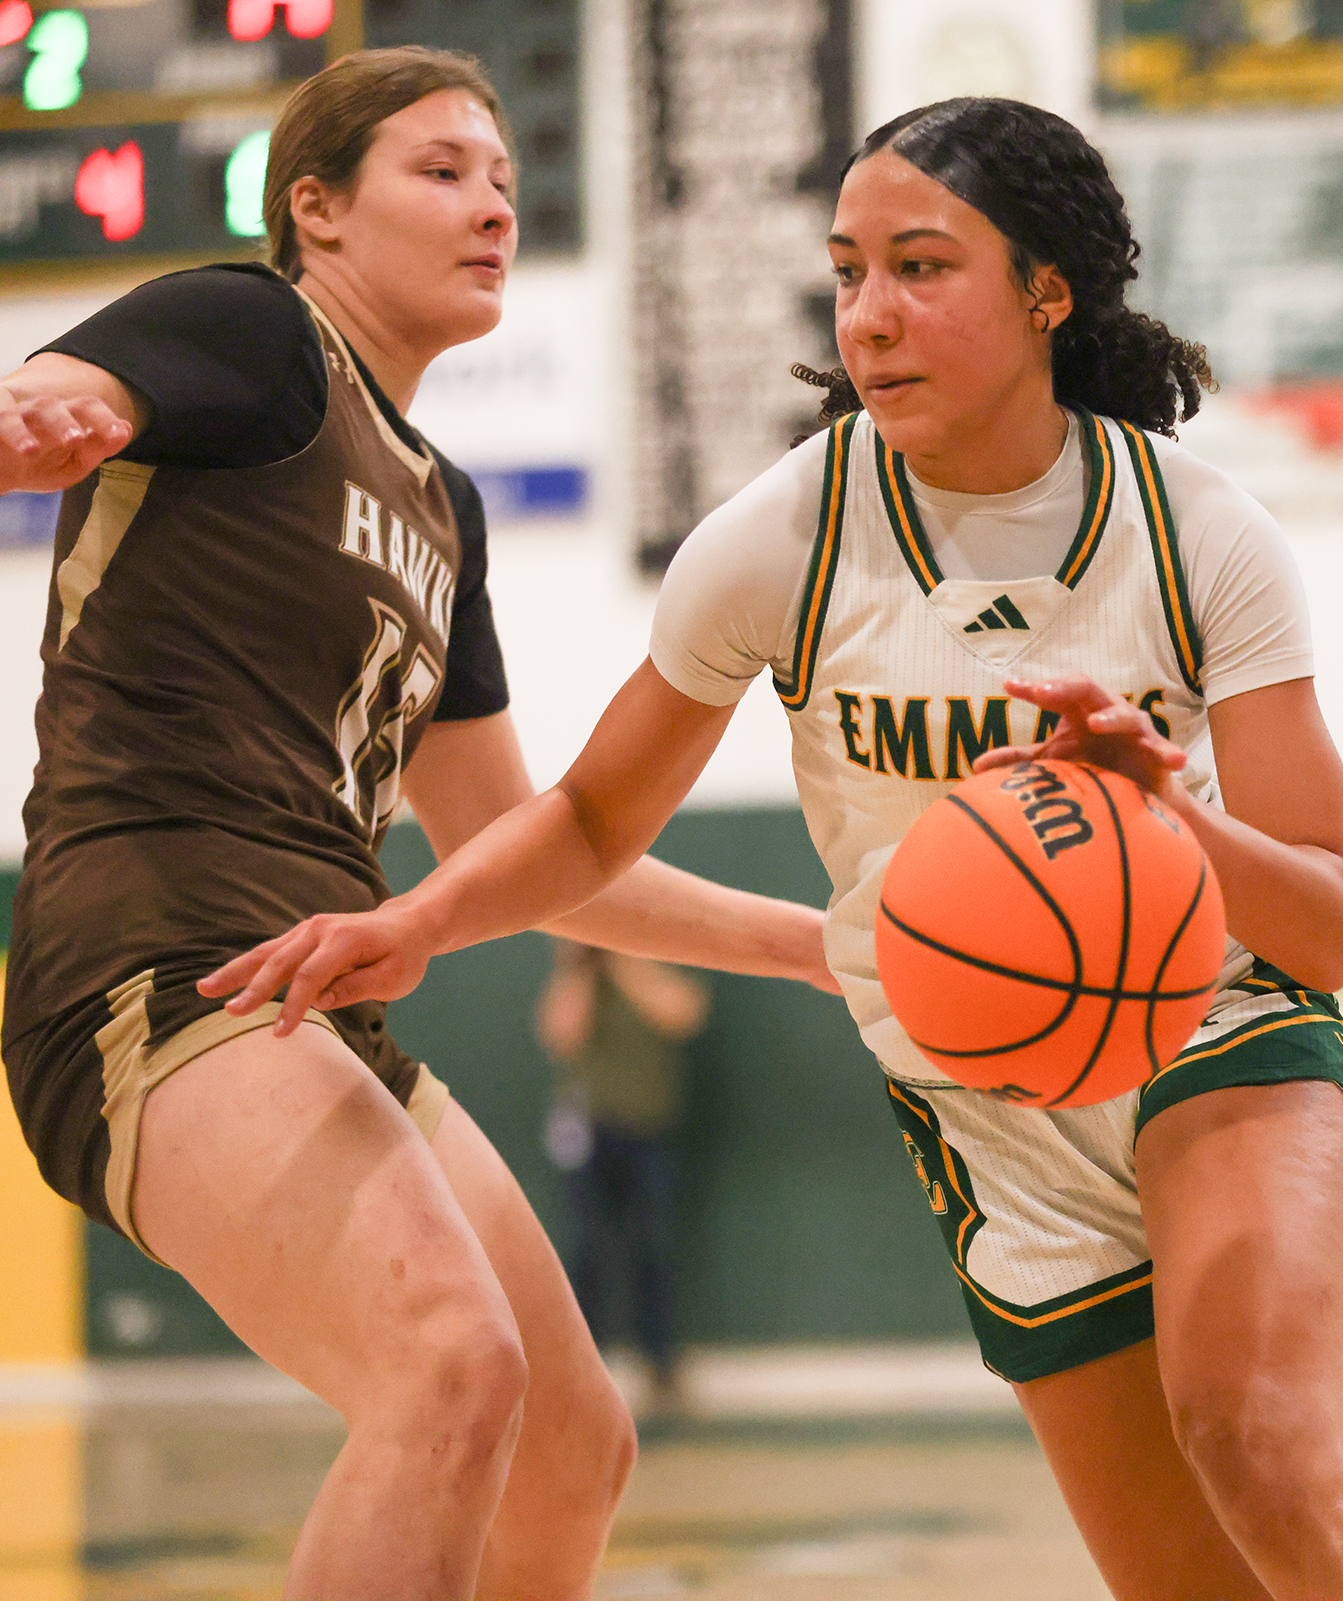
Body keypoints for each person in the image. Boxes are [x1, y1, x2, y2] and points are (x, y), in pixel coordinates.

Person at [204, 97, 1343, 1601]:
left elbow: (1331, 927)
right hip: (984, 1095)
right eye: (848, 274)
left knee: (1252, 1440)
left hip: (1209, 1027)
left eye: (920, 268)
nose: (870, 316)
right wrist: (427, 921)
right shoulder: (782, 538)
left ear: (1046, 290)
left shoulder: (1198, 534)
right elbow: (587, 819)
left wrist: (1174, 811)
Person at [0, 48, 835, 1600]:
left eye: (506, 181)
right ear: (315, 208)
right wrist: (48, 407)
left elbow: (537, 850)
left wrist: (824, 945)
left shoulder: (446, 506)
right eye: (442, 172)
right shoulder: (255, 331)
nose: (492, 207)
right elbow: (65, 399)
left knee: (571, 1439)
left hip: (310, 983)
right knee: (452, 1362)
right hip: (153, 957)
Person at [537, 939, 707, 1410]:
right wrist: (578, 968)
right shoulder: (578, 976)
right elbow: (560, 1034)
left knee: (652, 1244)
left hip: (650, 1129)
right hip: (588, 1132)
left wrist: (622, 954)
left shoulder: (650, 964)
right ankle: (582, 1363)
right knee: (584, 1248)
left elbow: (682, 1014)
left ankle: (660, 1363)